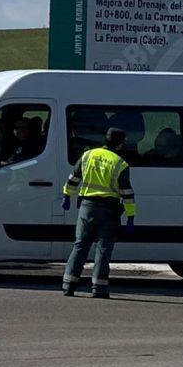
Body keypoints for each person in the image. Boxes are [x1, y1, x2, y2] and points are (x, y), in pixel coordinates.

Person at [61, 127, 137, 298]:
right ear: (120, 144)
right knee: (103, 249)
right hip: (109, 211)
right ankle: (99, 288)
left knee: (80, 245)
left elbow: (73, 178)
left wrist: (67, 195)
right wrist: (131, 216)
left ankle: (69, 285)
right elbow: (127, 193)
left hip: (86, 207)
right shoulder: (120, 163)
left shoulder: (88, 155)